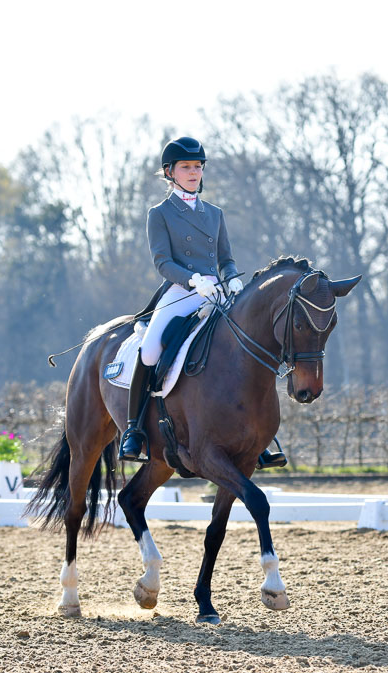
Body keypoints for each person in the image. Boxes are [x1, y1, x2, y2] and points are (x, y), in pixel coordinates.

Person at [119, 136, 287, 470]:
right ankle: (134, 429)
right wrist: (193, 280)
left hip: (218, 291)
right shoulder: (160, 214)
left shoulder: (214, 213)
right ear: (170, 172)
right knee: (149, 350)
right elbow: (162, 262)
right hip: (181, 291)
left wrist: (232, 277)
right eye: (186, 167)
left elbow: (226, 258)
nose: (194, 172)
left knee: (246, 345)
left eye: (198, 166)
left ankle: (259, 438)